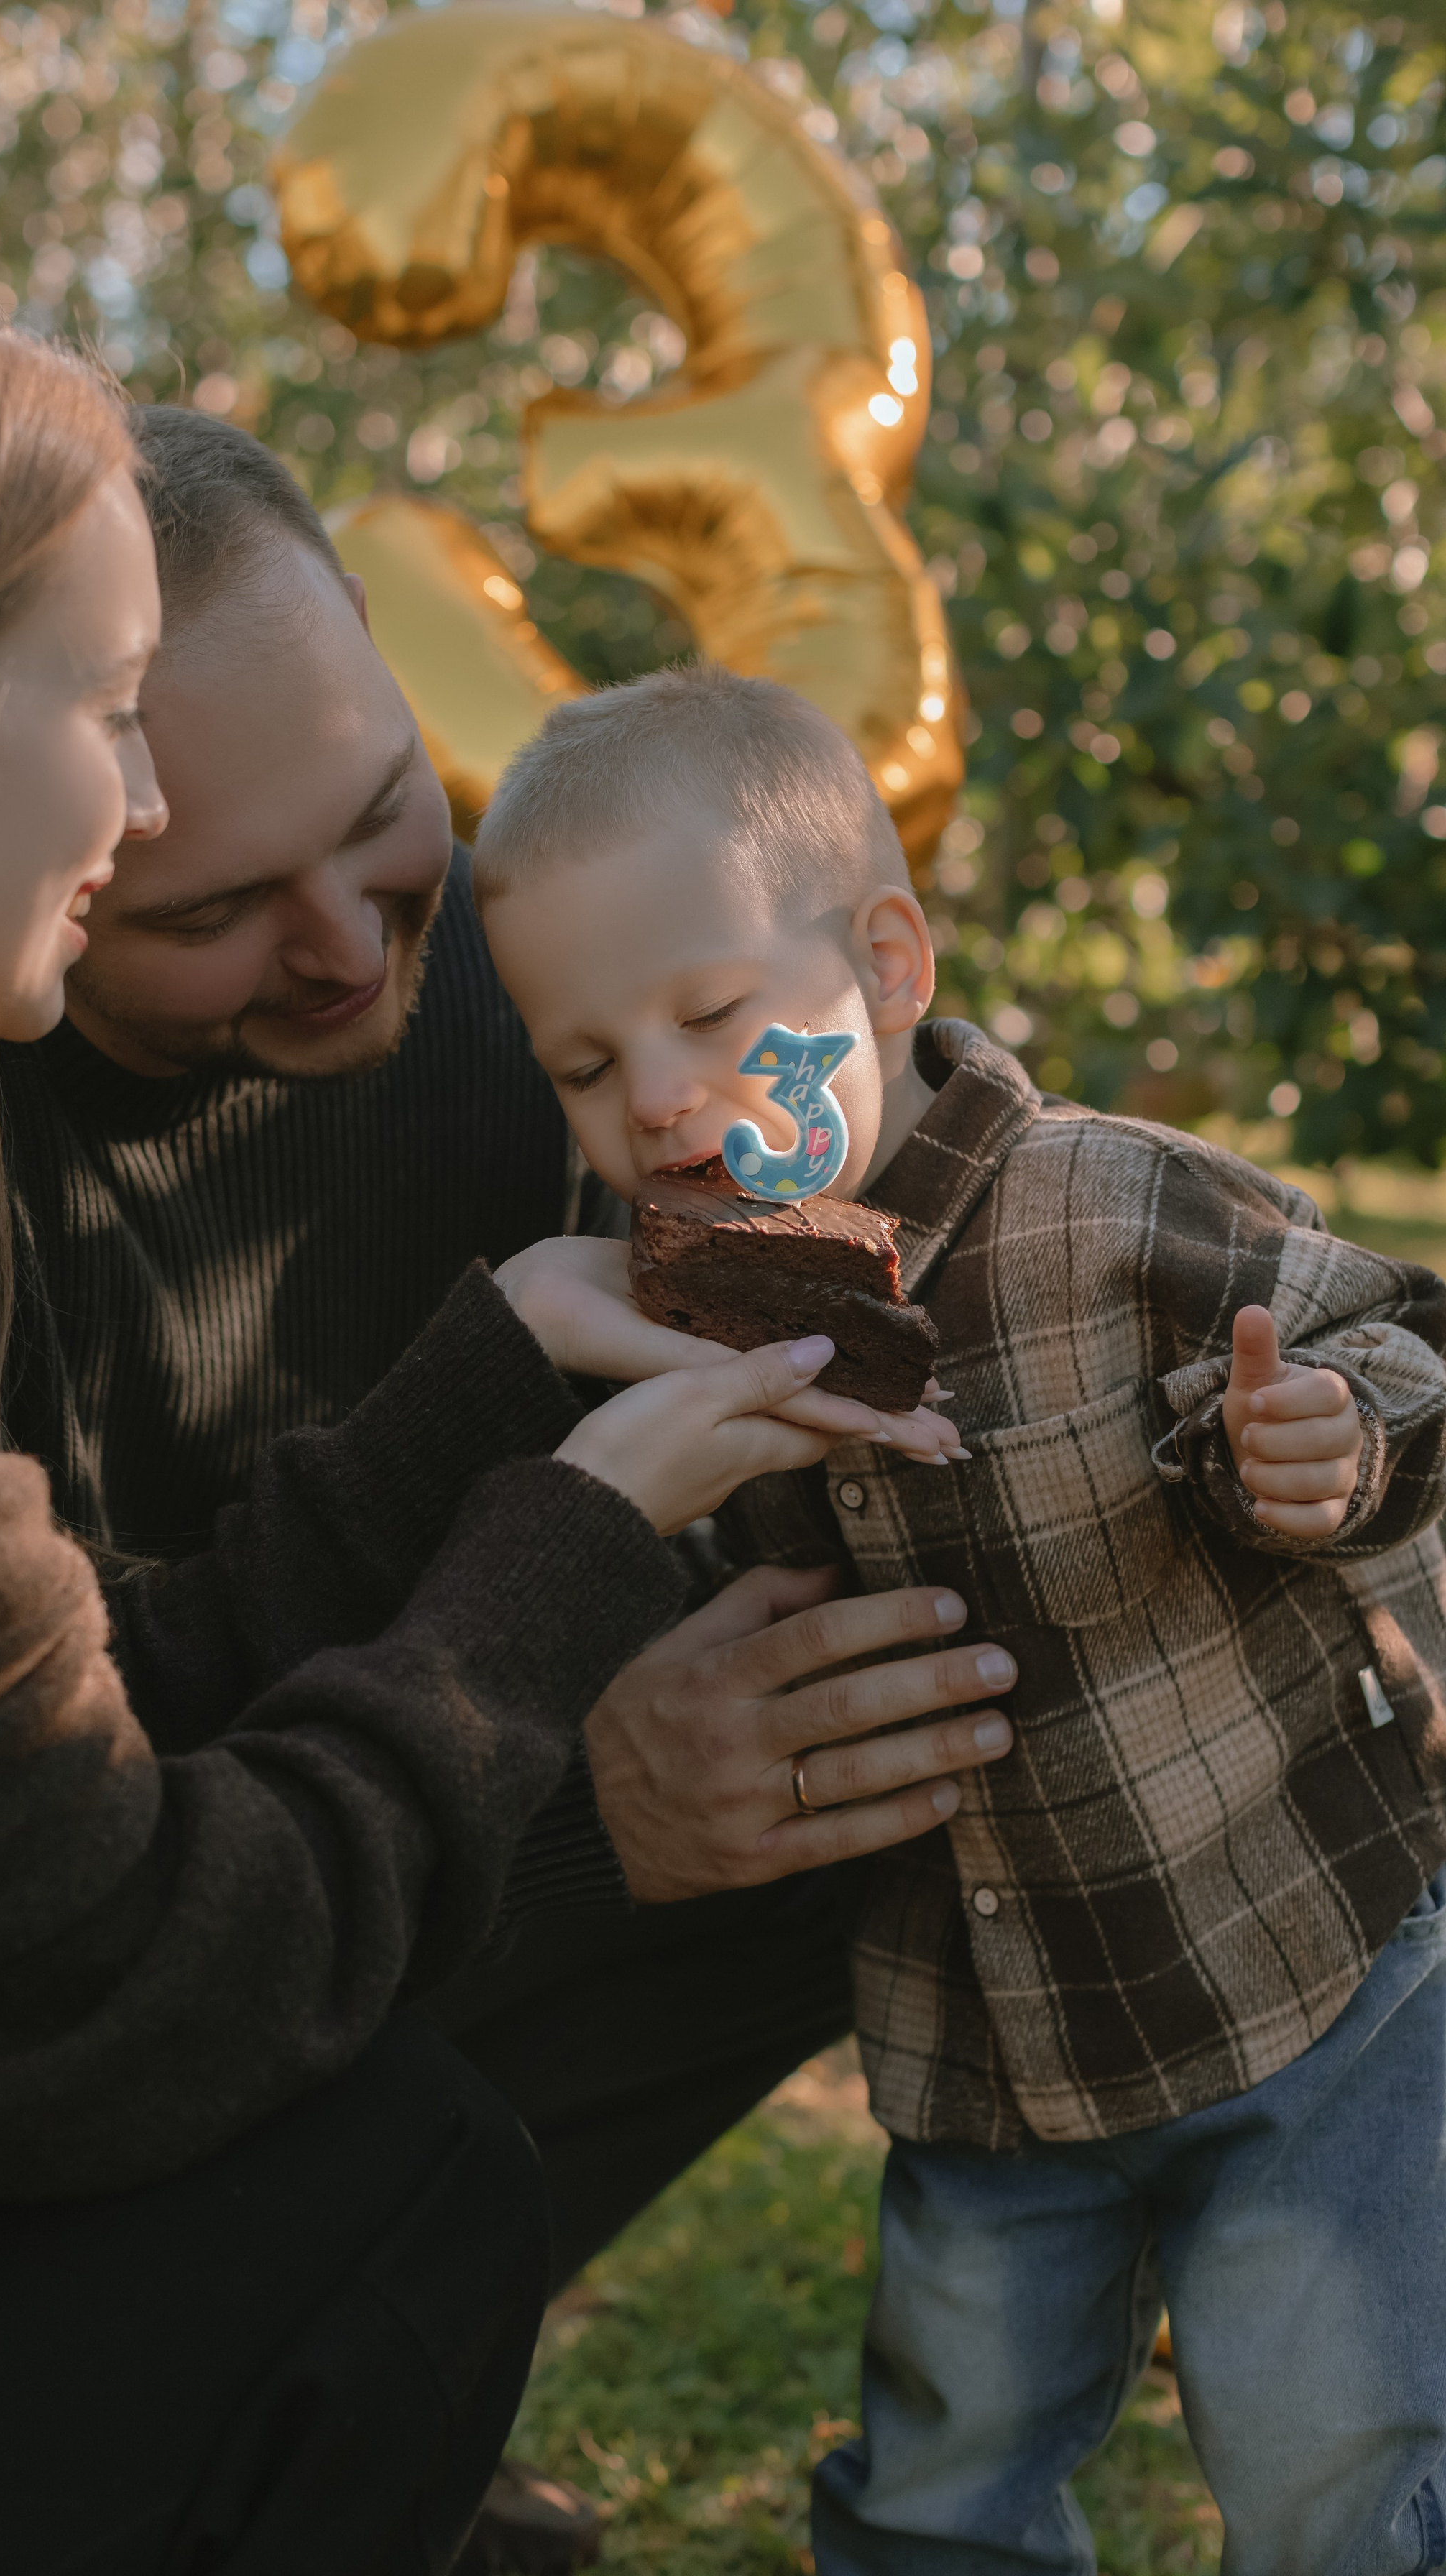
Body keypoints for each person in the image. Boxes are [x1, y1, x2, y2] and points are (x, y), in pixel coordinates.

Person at [0, 252, 901, 2576]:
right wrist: (564, 1575)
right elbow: (129, 1965)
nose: (131, 792)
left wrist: (491, 1380)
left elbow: (28, 1752)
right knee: (379, 2168)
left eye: (387, 804)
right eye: (107, 717)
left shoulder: (524, 1005)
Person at [474, 658, 1446, 2576]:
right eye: (584, 1067)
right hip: (989, 2045)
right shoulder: (678, 1330)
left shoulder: (1103, 1203)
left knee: (1325, 2456)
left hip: (1300, 1973)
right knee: (938, 2485)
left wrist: (1329, 1445)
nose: (656, 1103)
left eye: (707, 1016)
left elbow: (1396, 1342)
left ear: (890, 968)